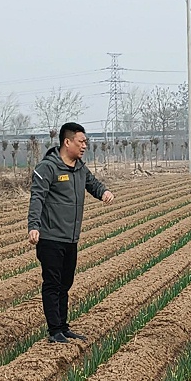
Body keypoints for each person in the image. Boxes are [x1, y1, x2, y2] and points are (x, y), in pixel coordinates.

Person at [28, 122, 114, 343]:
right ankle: (54, 330)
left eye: (85, 142)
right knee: (52, 283)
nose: (85, 145)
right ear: (67, 142)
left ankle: (63, 326)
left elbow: (92, 184)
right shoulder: (48, 168)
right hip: (50, 237)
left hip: (70, 237)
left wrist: (103, 192)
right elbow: (37, 197)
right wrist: (34, 226)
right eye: (81, 141)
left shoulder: (79, 167)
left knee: (65, 283)